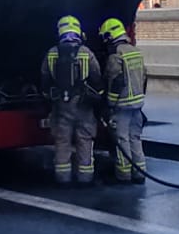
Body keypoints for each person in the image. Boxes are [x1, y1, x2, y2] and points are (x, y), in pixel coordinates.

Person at [41, 16, 101, 184]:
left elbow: (45, 80)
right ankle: (85, 177)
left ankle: (63, 178)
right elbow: (96, 77)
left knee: (62, 142)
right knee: (85, 140)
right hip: (83, 106)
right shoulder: (86, 52)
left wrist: (50, 100)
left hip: (61, 106)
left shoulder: (52, 53)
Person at [99, 18, 148, 185]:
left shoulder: (116, 56)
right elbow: (144, 78)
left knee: (122, 140)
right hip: (137, 104)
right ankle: (140, 173)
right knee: (135, 138)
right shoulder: (136, 52)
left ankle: (123, 174)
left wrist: (110, 106)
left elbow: (116, 82)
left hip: (122, 106)